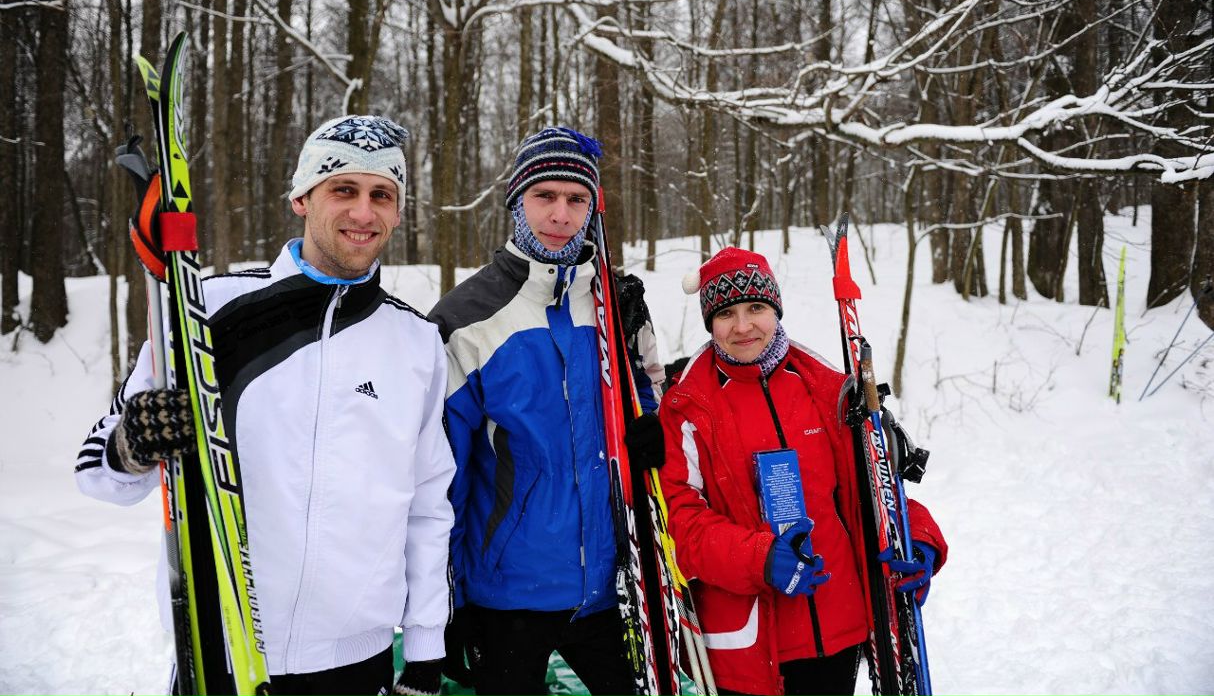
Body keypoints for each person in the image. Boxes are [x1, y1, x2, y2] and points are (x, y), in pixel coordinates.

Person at [74, 115, 455, 696]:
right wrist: (132, 445)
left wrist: (426, 651)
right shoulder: (210, 309)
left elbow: (428, 506)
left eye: (382, 195)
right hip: (219, 649)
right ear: (303, 198)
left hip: (357, 661)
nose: (363, 212)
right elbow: (97, 473)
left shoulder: (415, 342)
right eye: (343, 189)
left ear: (399, 212)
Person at [428, 126, 665, 696]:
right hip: (507, 594)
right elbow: (440, 479)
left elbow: (649, 401)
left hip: (611, 587)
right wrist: (446, 601)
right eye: (545, 197)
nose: (561, 214)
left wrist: (652, 418)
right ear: (517, 201)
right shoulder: (466, 319)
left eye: (576, 199)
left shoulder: (615, 302)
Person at [657, 247, 948, 696]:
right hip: (751, 644)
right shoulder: (689, 407)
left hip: (839, 625)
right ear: (708, 321)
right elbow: (681, 523)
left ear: (775, 308)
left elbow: (874, 491)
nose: (742, 326)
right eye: (726, 313)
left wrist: (919, 538)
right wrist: (758, 557)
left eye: (756, 307)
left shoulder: (827, 389)